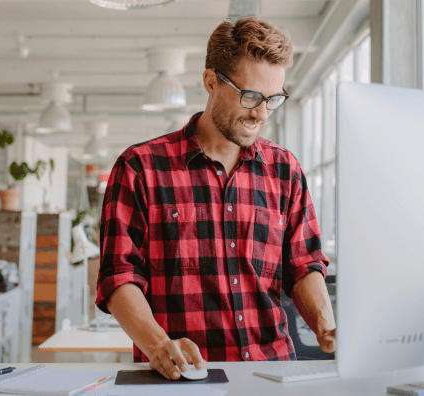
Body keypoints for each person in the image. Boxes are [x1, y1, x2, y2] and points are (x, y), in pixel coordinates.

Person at [95, 16, 335, 380]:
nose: (261, 113)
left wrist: (327, 327)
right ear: (211, 82)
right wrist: (159, 344)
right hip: (181, 377)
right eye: (251, 96)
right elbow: (119, 276)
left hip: (272, 375)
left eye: (274, 99)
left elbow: (304, 265)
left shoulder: (286, 170)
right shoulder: (140, 168)